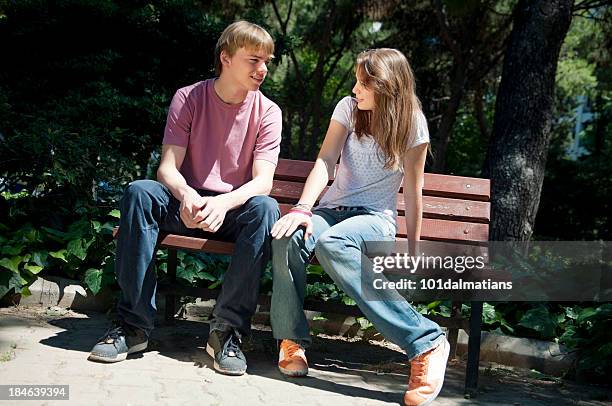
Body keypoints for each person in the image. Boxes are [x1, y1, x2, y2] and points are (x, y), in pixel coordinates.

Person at [88, 21, 282, 377]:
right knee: (139, 192)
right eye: (254, 60)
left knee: (266, 209)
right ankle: (134, 327)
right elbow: (167, 168)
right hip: (186, 201)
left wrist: (222, 204)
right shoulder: (189, 97)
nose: (263, 69)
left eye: (267, 61)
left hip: (234, 209)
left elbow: (263, 182)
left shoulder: (268, 112)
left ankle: (225, 333)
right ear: (226, 58)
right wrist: (188, 196)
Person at [269, 48, 449, 406]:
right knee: (288, 236)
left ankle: (427, 342)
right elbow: (326, 159)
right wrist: (304, 208)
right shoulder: (348, 109)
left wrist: (412, 250)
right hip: (334, 209)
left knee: (333, 244)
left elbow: (413, 193)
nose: (354, 89)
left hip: (375, 219)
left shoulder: (413, 125)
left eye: (363, 83)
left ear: (385, 86)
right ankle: (291, 340)